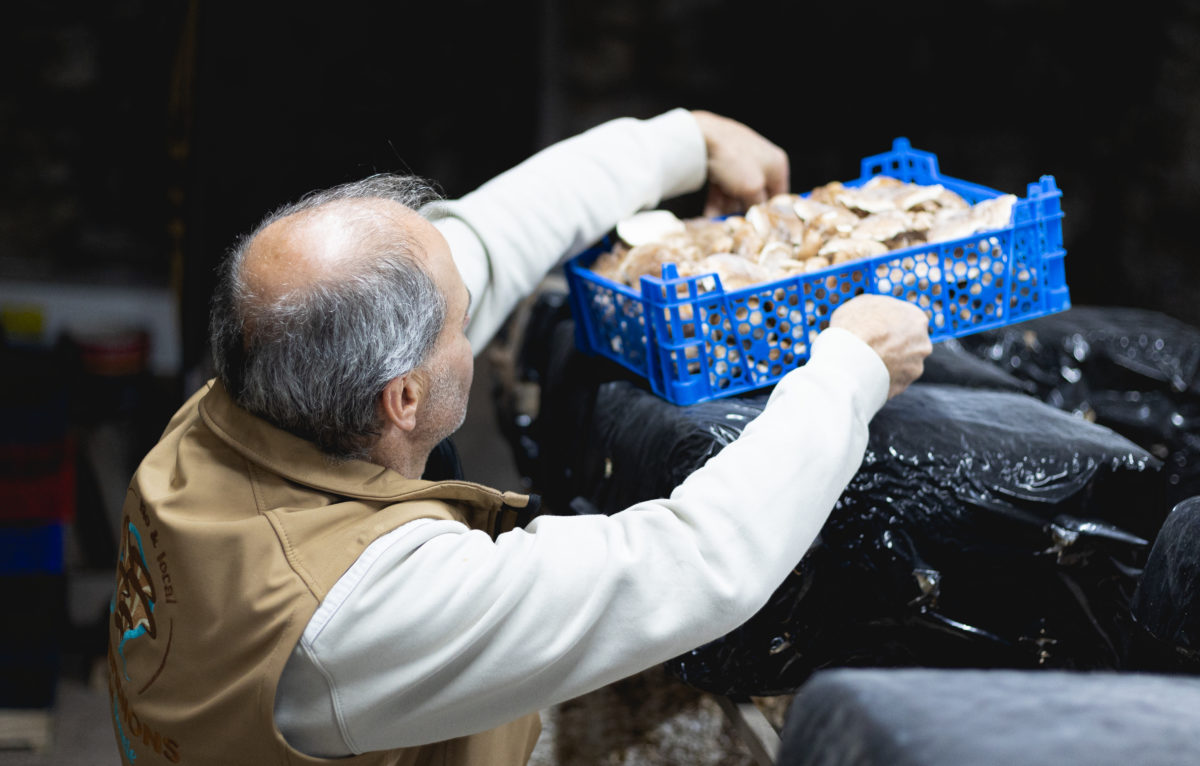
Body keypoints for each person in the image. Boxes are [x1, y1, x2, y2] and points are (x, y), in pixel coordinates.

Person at [107, 108, 931, 766]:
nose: (478, 316)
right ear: (403, 398)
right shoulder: (359, 613)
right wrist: (852, 371)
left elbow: (490, 237)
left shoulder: (244, 387)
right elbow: (695, 563)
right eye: (462, 323)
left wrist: (687, 139)